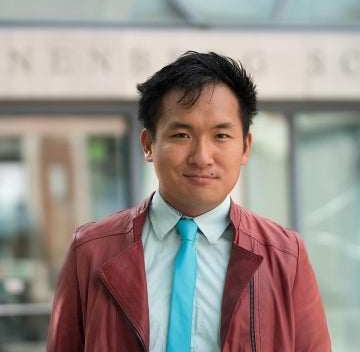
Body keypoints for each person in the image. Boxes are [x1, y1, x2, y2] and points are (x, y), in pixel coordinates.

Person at [47, 51, 331, 351]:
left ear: (245, 147)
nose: (201, 157)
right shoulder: (91, 251)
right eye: (182, 135)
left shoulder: (287, 257)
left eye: (221, 136)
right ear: (148, 145)